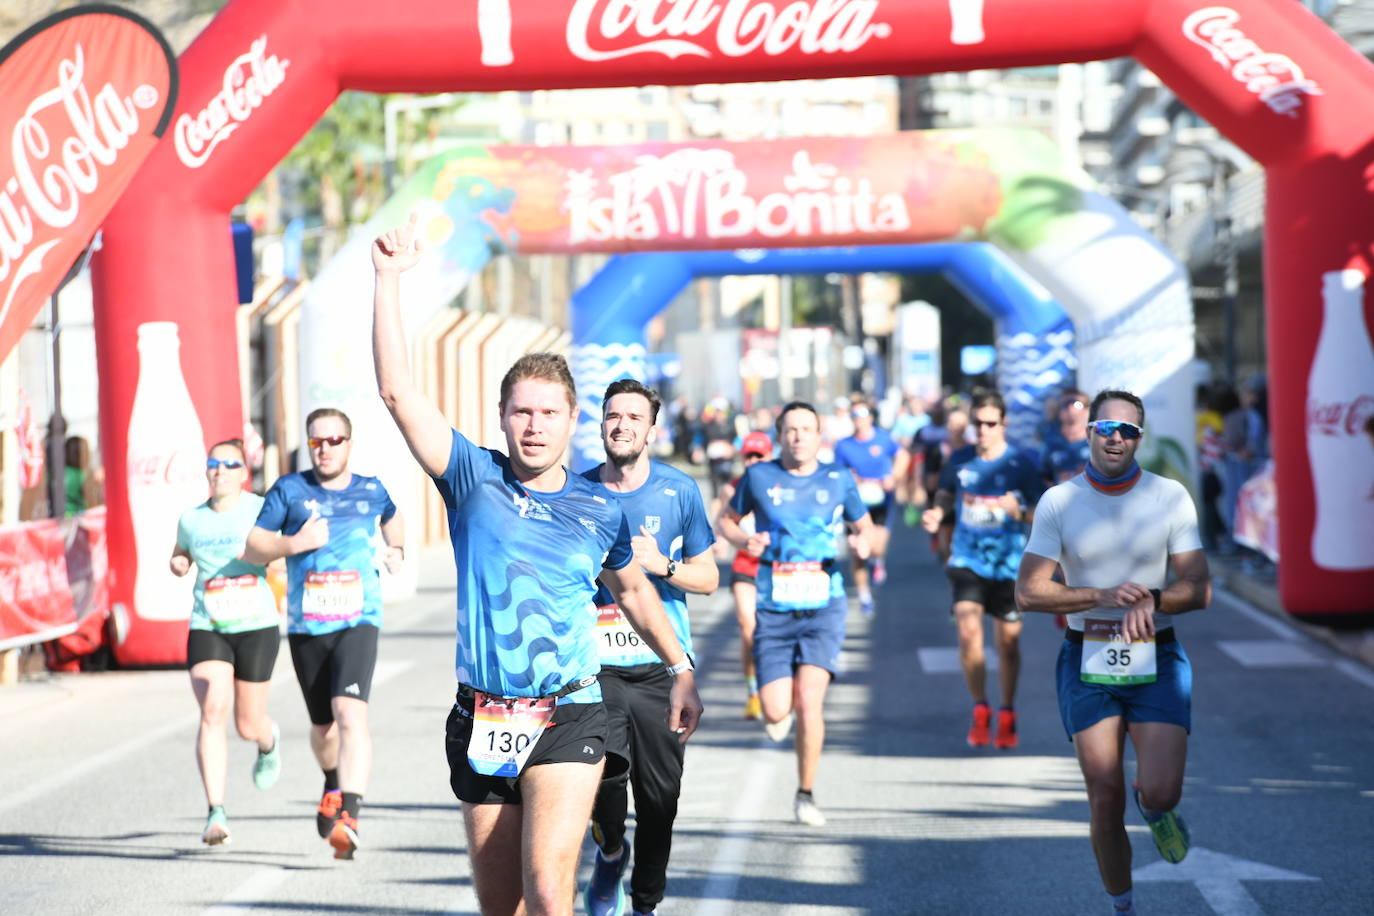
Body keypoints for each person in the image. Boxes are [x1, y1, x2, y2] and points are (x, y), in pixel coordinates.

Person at [369, 216, 702, 916]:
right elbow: (399, 394)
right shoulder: (471, 478)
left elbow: (634, 591)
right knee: (505, 907)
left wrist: (681, 669)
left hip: (570, 712)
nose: (535, 426)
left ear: (571, 418)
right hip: (485, 715)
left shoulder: (596, 507)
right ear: (501, 417)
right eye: (522, 412)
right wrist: (388, 280)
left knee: (550, 893)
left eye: (549, 413)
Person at [1016, 389, 1211, 916]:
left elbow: (1199, 586)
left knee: (1162, 791)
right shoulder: (1060, 501)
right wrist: (1100, 595)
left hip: (1157, 655)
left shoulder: (1169, 496)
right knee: (1104, 793)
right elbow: (1028, 592)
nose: (1117, 438)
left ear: (1139, 439)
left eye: (1128, 431)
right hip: (1087, 657)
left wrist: (1154, 597)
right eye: (1107, 429)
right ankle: (1121, 905)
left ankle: (1156, 807)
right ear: (1089, 432)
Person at [580, 378, 718, 916]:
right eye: (614, 416)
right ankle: (611, 851)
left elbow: (709, 578)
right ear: (601, 426)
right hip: (595, 668)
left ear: (651, 431)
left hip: (662, 668)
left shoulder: (678, 490)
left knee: (660, 804)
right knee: (603, 775)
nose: (622, 426)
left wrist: (665, 566)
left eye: (634, 418)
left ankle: (644, 905)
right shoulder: (577, 490)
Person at [244, 407, 404, 859]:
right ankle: (333, 781)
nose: (326, 448)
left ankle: (350, 813)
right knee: (323, 727)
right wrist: (294, 544)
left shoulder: (371, 490)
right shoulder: (290, 491)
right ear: (308, 444)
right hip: (307, 626)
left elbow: (393, 516)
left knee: (350, 713)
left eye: (335, 440)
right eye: (317, 441)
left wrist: (398, 547)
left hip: (359, 619)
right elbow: (254, 546)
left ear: (349, 444)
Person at [718, 401, 875, 827]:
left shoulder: (838, 479)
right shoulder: (759, 476)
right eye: (790, 429)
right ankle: (775, 705)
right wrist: (741, 541)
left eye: (807, 429)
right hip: (775, 606)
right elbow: (727, 521)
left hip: (825, 603)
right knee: (774, 710)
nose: (798, 436)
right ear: (779, 435)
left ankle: (805, 793)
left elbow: (866, 527)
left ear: (819, 436)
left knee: (810, 702)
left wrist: (864, 544)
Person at [171, 438, 283, 846]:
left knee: (247, 724)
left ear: (243, 472)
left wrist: (274, 556)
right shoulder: (191, 518)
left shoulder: (260, 509)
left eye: (228, 464)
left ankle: (268, 742)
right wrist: (179, 562)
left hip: (255, 625)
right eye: (213, 463)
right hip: (209, 623)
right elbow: (180, 553)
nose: (219, 470)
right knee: (212, 709)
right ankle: (215, 812)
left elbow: (282, 552)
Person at [922, 389, 1044, 749]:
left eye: (991, 423)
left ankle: (1007, 710)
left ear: (1003, 424)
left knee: (1007, 646)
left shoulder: (1021, 464)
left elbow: (1044, 512)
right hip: (967, 559)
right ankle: (980, 706)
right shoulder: (959, 460)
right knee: (967, 629)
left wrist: (1018, 513)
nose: (984, 430)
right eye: (978, 423)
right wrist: (936, 512)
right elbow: (944, 495)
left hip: (1008, 565)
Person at [716, 430, 774, 720]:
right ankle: (753, 693)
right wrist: (723, 541)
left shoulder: (779, 486)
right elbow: (721, 519)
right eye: (748, 455)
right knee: (748, 628)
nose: (752, 461)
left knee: (773, 631)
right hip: (744, 567)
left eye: (758, 456)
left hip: (775, 569)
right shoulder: (733, 489)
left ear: (769, 456)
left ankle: (777, 688)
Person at [833, 402, 908, 615]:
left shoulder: (883, 439)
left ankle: (877, 560)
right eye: (855, 415)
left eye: (863, 414)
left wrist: (894, 477)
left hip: (882, 501)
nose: (860, 419)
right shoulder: (844, 445)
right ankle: (864, 596)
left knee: (876, 547)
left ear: (870, 418)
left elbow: (903, 455)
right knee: (857, 551)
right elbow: (838, 472)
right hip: (856, 504)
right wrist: (851, 479)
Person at [1040, 389, 1091, 484]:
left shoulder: (1096, 441)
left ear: (1087, 410)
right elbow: (1045, 476)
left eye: (1076, 404)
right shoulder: (1050, 442)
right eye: (1065, 404)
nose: (1070, 408)